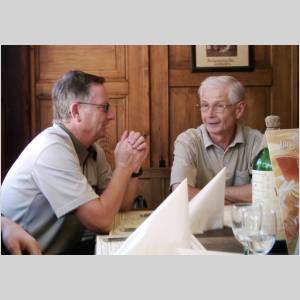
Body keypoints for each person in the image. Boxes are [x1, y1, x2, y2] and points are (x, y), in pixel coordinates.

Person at [1, 70, 148, 254]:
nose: (111, 115)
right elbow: (102, 221)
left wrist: (133, 168)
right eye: (104, 107)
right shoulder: (52, 150)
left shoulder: (94, 151)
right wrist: (123, 167)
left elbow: (121, 207)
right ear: (76, 111)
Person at [170, 75, 263, 204]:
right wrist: (239, 195)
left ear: (239, 110)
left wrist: (210, 194)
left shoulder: (256, 141)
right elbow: (181, 193)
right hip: (201, 221)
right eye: (205, 106)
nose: (209, 114)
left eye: (219, 106)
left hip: (243, 222)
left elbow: (264, 191)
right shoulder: (188, 141)